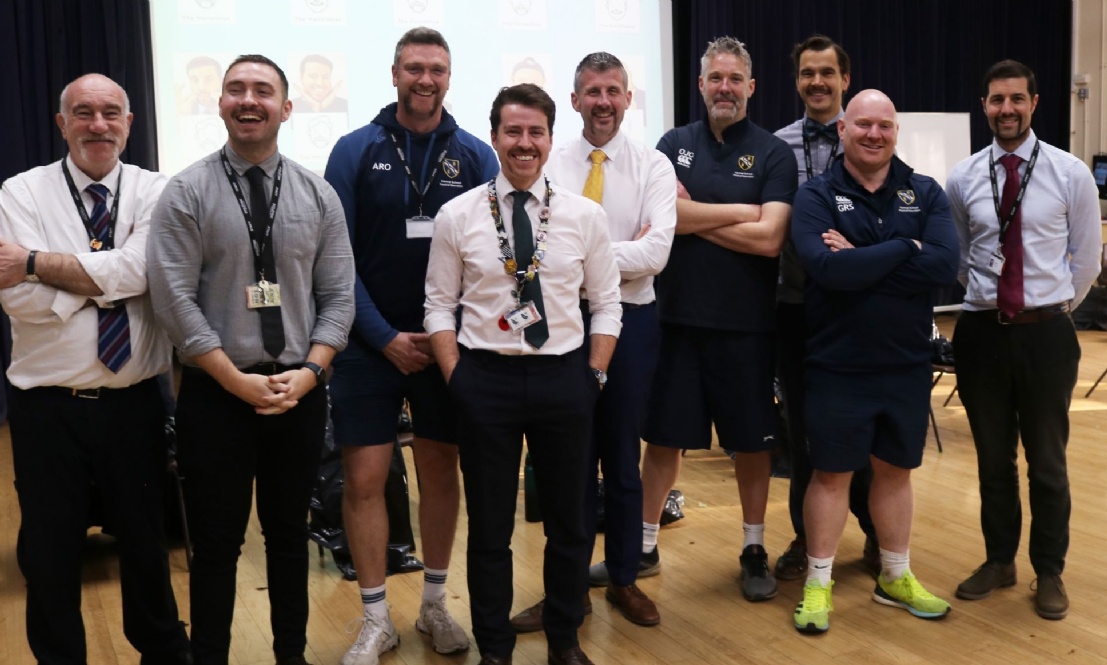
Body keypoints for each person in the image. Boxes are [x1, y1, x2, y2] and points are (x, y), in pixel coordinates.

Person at [147, 54, 355, 665]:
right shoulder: (186, 191)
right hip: (216, 394)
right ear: (219, 105)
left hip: (298, 391)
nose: (248, 99)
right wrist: (232, 379)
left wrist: (313, 370)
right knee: (215, 545)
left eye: (263, 90)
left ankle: (291, 655)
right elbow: (172, 297)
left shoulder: (319, 195)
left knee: (290, 537)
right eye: (235, 89)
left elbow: (339, 296)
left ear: (286, 109)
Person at [425, 83, 622, 665]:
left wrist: (595, 375)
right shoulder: (457, 215)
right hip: (484, 380)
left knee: (569, 523)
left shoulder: (585, 216)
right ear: (494, 138)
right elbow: (439, 304)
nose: (525, 143)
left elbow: (607, 303)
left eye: (536, 131)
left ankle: (564, 640)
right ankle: (495, 649)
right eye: (513, 131)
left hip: (567, 378)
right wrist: (457, 376)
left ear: (550, 138)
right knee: (489, 530)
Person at [0, 73, 191, 665]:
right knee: (51, 551)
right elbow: (17, 300)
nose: (98, 124)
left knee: (144, 544)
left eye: (111, 113)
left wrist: (37, 264)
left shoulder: (158, 191)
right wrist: (110, 284)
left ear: (130, 124)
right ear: (62, 124)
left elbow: (145, 274)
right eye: (83, 113)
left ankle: (162, 651)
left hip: (133, 402)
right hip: (45, 408)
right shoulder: (20, 192)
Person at [322, 26, 498, 664]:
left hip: (449, 345)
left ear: (449, 78)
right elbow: (336, 262)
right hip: (370, 345)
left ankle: (432, 604)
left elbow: (491, 260)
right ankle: (375, 619)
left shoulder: (477, 155)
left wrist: (443, 337)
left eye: (438, 70)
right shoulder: (352, 150)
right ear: (394, 73)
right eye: (415, 68)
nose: (426, 80)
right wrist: (384, 337)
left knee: (439, 472)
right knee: (365, 477)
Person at [508, 51, 675, 632]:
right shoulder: (546, 162)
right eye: (591, 92)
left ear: (628, 98)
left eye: (613, 91)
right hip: (560, 326)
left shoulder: (654, 167)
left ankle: (624, 578)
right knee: (567, 463)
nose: (603, 101)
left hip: (632, 325)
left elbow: (657, 254)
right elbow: (535, 247)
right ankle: (568, 590)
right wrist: (604, 258)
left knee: (622, 463)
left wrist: (580, 256)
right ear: (574, 100)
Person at [790, 89, 958, 634]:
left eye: (884, 125)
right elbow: (826, 270)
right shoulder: (815, 195)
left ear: (895, 132)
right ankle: (818, 585)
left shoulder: (924, 191)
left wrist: (864, 255)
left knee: (894, 471)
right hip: (837, 364)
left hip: (906, 363)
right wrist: (906, 249)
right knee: (832, 475)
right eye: (863, 124)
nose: (873, 134)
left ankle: (895, 576)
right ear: (842, 129)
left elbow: (944, 266)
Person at [639, 36, 797, 603]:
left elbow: (771, 238)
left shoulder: (775, 154)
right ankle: (645, 542)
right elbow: (663, 221)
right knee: (662, 440)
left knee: (752, 445)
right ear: (701, 84)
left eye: (735, 79)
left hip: (748, 328)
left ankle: (754, 547)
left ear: (751, 87)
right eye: (715, 78)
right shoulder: (671, 145)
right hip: (676, 322)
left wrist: (692, 217)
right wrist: (739, 211)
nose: (724, 88)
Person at [946, 59, 1101, 621]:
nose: (1005, 109)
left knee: (1047, 463)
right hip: (983, 333)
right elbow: (962, 259)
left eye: (1016, 99)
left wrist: (1049, 309)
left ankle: (1050, 570)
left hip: (1046, 334)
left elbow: (1086, 260)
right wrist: (995, 306)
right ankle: (999, 560)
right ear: (984, 106)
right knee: (992, 460)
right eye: (995, 100)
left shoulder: (1069, 173)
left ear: (1035, 103)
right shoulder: (962, 178)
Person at [772, 35, 879, 581]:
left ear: (845, 79)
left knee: (859, 426)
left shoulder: (868, 140)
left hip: (856, 311)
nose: (817, 81)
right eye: (807, 72)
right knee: (802, 431)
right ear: (797, 81)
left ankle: (876, 534)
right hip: (795, 309)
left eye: (827, 73)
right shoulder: (776, 147)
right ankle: (806, 537)